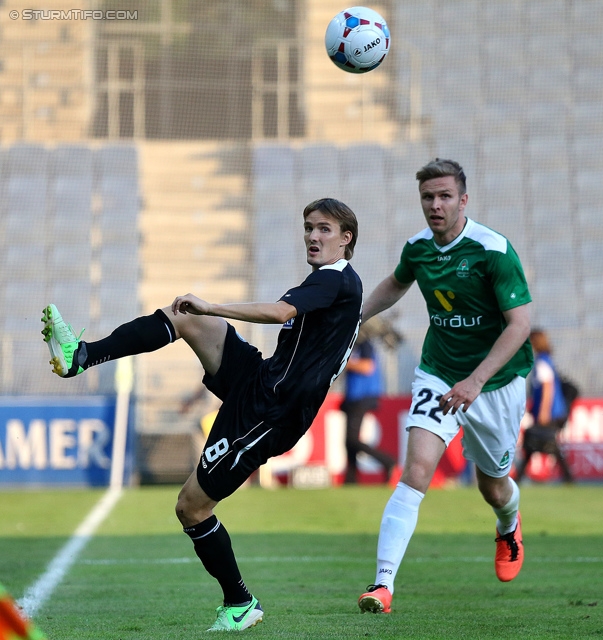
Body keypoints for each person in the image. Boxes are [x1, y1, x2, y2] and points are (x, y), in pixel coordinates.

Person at [41, 198, 363, 632]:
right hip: (262, 379)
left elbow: (279, 312)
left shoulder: (335, 279)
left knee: (191, 507)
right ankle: (80, 355)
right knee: (187, 318)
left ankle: (241, 603)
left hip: (272, 412)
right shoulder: (333, 284)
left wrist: (213, 305)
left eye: (324, 229)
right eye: (308, 227)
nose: (311, 236)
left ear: (346, 239)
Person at [356, 158, 534, 614]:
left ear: (463, 200)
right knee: (416, 472)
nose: (435, 205)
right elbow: (396, 284)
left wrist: (477, 381)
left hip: (495, 383)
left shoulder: (493, 250)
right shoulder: (418, 248)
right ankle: (382, 585)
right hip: (438, 371)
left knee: (492, 487)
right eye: (428, 198)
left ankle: (508, 525)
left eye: (444, 196)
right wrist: (352, 317)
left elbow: (519, 325)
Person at [513, 329, 574, 484]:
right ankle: (568, 479)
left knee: (538, 442)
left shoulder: (542, 361)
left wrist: (544, 412)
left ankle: (568, 478)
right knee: (538, 443)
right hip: (553, 412)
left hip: (549, 413)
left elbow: (548, 388)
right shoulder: (547, 359)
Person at [341, 321, 396, 484]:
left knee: (351, 439)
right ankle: (350, 480)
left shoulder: (364, 344)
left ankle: (387, 461)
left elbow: (367, 367)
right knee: (348, 441)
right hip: (353, 396)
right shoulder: (354, 344)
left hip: (362, 395)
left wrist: (344, 362)